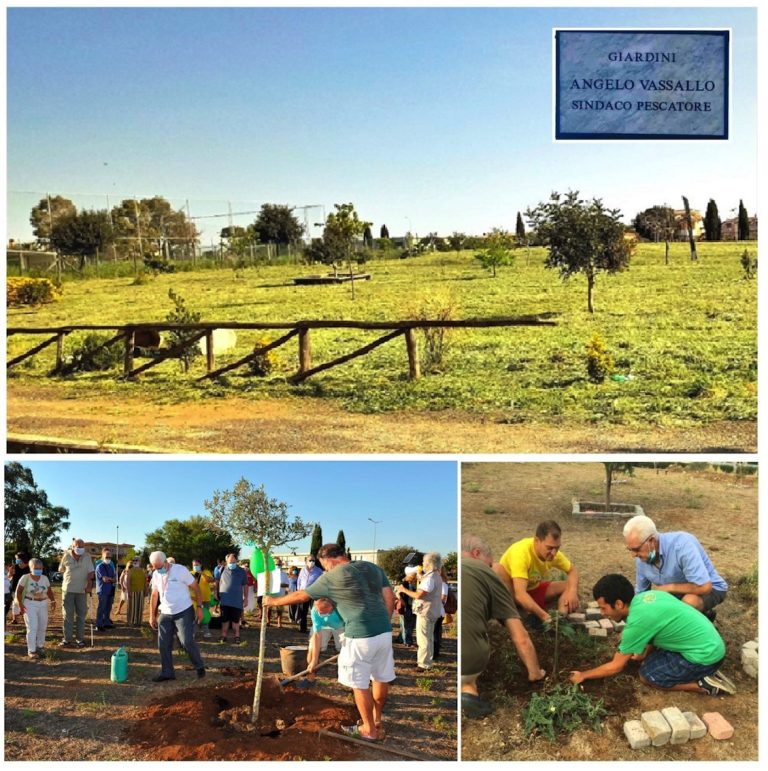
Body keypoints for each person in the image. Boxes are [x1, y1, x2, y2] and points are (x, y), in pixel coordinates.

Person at [263, 543, 395, 742]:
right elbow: (389, 596)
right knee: (380, 678)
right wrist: (383, 621)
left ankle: (368, 730)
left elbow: (301, 595)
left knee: (359, 684)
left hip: (359, 635)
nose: (324, 568)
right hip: (384, 633)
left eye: (323, 565)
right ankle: (377, 721)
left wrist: (272, 602)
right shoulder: (372, 568)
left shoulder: (332, 576)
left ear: (329, 559)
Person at [569, 573, 736, 696]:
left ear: (619, 604)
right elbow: (655, 628)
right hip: (710, 644)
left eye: (603, 608)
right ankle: (703, 671)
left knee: (648, 675)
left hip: (705, 656)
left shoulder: (636, 623)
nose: (602, 613)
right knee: (646, 659)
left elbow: (616, 666)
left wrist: (583, 675)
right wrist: (645, 652)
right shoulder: (646, 597)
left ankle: (702, 684)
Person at [461, 534, 545, 718]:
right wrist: (535, 672)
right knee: (468, 676)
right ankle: (468, 692)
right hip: (469, 661)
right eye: (490, 564)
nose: (492, 568)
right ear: (476, 553)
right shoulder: (486, 572)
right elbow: (520, 637)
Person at [623, 515, 727, 620]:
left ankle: (696, 623)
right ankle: (699, 616)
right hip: (676, 595)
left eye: (636, 549)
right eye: (630, 549)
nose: (633, 555)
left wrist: (669, 588)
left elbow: (704, 586)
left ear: (651, 541)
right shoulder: (642, 558)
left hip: (711, 588)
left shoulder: (682, 546)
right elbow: (641, 594)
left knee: (689, 602)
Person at [493, 520, 580, 626]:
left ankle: (560, 620)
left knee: (569, 585)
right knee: (496, 569)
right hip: (513, 595)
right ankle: (518, 615)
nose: (554, 553)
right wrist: (544, 616)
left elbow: (572, 571)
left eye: (557, 548)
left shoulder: (553, 554)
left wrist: (572, 591)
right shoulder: (521, 553)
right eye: (549, 548)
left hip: (532, 589)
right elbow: (520, 594)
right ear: (537, 540)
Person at [148, 551, 205, 682]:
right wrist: (152, 615)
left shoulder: (180, 570)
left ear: (166, 563)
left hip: (184, 611)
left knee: (186, 641)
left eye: (159, 567)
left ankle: (199, 665)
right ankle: (167, 672)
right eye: (154, 567)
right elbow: (154, 595)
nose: (157, 570)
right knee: (163, 644)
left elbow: (196, 587)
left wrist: (200, 608)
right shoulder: (156, 574)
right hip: (165, 613)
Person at [395, 552, 444, 671]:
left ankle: (423, 664)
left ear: (428, 563)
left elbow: (419, 595)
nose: (422, 563)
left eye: (423, 561)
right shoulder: (436, 575)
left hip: (425, 612)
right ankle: (428, 661)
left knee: (423, 639)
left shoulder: (430, 578)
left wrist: (403, 589)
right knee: (429, 638)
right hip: (433, 611)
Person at [15, 558, 56, 658]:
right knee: (32, 627)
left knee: (42, 626)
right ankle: (32, 650)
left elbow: (49, 590)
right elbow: (18, 591)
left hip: (43, 603)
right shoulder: (25, 577)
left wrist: (53, 600)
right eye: (36, 568)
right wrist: (20, 604)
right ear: (30, 568)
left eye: (40, 568)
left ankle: (40, 647)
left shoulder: (45, 578)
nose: (38, 570)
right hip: (29, 603)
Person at [58, 538, 95, 648]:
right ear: (73, 547)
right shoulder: (66, 555)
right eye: (78, 547)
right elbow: (61, 569)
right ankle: (67, 639)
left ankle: (80, 639)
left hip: (82, 590)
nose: (80, 549)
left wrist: (89, 586)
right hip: (68, 589)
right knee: (67, 615)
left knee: (81, 615)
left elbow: (91, 572)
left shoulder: (87, 557)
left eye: (82, 547)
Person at [307, 596, 345, 677]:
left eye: (322, 612)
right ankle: (310, 678)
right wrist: (314, 659)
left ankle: (348, 680)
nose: (319, 614)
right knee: (312, 650)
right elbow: (317, 635)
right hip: (323, 627)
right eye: (319, 611)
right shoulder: (315, 610)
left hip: (341, 626)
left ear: (331, 607)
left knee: (347, 651)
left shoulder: (342, 608)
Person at [216, 553, 248, 644]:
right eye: (230, 562)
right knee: (224, 620)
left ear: (236, 561)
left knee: (236, 621)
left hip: (237, 601)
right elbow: (217, 582)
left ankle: (237, 636)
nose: (232, 563)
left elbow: (245, 585)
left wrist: (246, 598)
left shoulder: (242, 571)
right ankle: (223, 636)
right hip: (225, 601)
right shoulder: (221, 570)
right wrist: (215, 593)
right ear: (226, 561)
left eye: (233, 562)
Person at [297, 555, 323, 633]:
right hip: (303, 593)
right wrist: (298, 590)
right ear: (306, 561)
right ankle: (303, 628)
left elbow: (321, 582)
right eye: (310, 560)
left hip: (313, 594)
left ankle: (315, 629)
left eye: (313, 560)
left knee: (314, 612)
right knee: (303, 612)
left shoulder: (319, 570)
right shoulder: (302, 570)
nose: (312, 562)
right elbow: (299, 580)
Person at [95, 547, 117, 630]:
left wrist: (110, 579)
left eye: (110, 557)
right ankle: (99, 625)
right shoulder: (100, 567)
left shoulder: (111, 567)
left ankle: (106, 622)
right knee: (102, 607)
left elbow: (114, 579)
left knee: (108, 607)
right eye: (106, 557)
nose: (108, 559)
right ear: (102, 557)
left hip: (110, 590)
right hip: (102, 591)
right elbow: (105, 579)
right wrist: (111, 579)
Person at [190, 559, 213, 638]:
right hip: (195, 599)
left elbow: (210, 580)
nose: (195, 566)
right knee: (196, 616)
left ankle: (206, 632)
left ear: (201, 565)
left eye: (197, 565)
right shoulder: (190, 573)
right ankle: (193, 632)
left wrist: (202, 573)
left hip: (206, 599)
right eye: (194, 565)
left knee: (205, 615)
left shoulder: (206, 572)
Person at [265, 558, 290, 628]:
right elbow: (267, 583)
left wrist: (280, 584)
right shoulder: (271, 573)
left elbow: (287, 584)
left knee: (279, 609)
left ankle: (279, 623)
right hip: (272, 593)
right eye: (276, 564)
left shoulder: (284, 574)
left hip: (280, 594)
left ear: (281, 565)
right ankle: (268, 621)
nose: (278, 565)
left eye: (279, 564)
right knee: (269, 608)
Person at [396, 566, 417, 646]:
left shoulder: (417, 583)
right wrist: (402, 601)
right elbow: (398, 593)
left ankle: (401, 639)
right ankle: (407, 641)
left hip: (414, 607)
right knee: (406, 625)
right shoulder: (405, 583)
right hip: (407, 606)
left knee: (411, 625)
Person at [433, 567, 450, 662]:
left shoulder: (442, 584)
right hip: (437, 611)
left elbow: (443, 598)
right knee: (436, 632)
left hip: (438, 611)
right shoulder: (440, 583)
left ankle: (435, 653)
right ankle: (435, 652)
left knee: (435, 633)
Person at [125, 557, 147, 627]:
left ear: (140, 561)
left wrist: (146, 590)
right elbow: (128, 582)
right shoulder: (130, 571)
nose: (135, 561)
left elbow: (145, 582)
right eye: (133, 560)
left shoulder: (143, 571)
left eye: (136, 560)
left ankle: (139, 621)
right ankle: (130, 622)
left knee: (140, 607)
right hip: (133, 591)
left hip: (141, 591)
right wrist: (129, 591)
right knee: (132, 607)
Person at [10, 553, 30, 624]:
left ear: (22, 559)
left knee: (25, 603)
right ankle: (14, 619)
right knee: (15, 603)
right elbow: (10, 576)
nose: (16, 560)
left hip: (25, 589)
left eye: (17, 559)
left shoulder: (29, 567)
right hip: (15, 587)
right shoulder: (15, 566)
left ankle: (25, 617)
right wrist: (10, 572)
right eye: (16, 559)